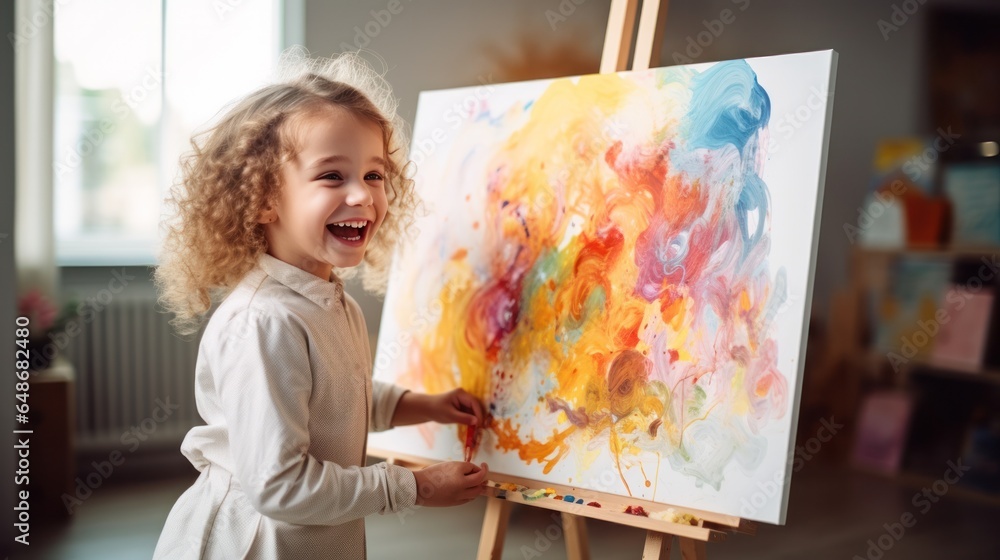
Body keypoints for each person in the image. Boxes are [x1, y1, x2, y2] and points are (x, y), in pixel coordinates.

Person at [151, 49, 488, 559]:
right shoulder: (264, 322)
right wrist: (412, 487)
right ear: (263, 198)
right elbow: (280, 486)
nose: (362, 195)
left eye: (374, 175)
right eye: (332, 176)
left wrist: (423, 406)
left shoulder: (331, 302)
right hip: (255, 543)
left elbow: (335, 398)